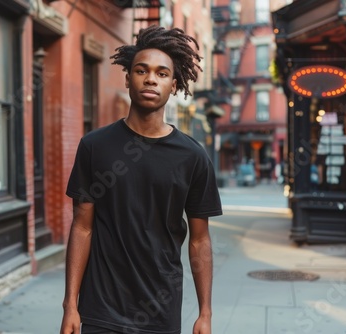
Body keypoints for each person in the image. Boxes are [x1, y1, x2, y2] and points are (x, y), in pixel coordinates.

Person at [60, 25, 223, 334]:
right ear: (128, 78)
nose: (151, 78)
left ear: (174, 86)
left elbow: (200, 239)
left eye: (162, 74)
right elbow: (82, 226)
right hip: (101, 306)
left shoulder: (192, 157)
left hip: (160, 307)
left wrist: (205, 312)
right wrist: (70, 304)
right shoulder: (95, 146)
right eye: (142, 70)